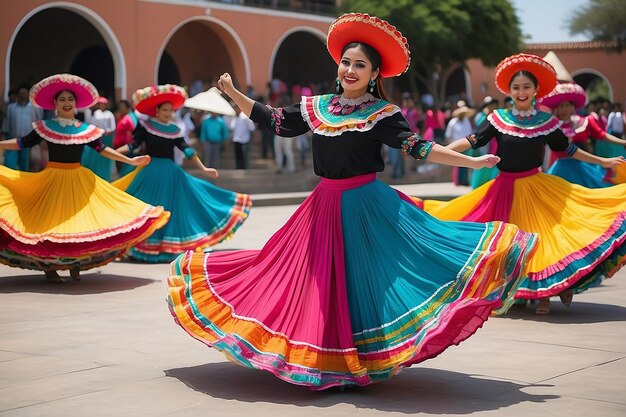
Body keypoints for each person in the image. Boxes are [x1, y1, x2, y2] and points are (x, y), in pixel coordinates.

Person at [165, 13, 538, 390]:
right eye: (346, 62)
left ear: (375, 74)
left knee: (364, 283)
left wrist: (471, 161)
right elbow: (274, 119)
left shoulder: (382, 114)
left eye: (360, 65)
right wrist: (233, 93)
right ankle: (322, 356)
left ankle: (356, 355)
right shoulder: (317, 107)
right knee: (311, 282)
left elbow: (422, 148)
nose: (350, 69)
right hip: (322, 206)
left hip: (367, 207)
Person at [417, 54, 626, 315]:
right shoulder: (498, 119)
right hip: (503, 189)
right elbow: (472, 140)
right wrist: (441, 151)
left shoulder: (546, 122)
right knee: (501, 244)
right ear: (509, 90)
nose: (521, 92)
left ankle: (546, 294)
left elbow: (569, 149)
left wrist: (603, 161)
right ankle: (510, 292)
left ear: (536, 90)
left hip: (536, 187)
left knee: (544, 240)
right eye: (516, 88)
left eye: (527, 87)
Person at [0, 74, 169, 282]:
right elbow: (20, 143)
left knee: (80, 223)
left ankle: (76, 263)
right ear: (55, 104)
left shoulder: (84, 130)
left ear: (76, 104)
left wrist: (131, 161)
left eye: (70, 100)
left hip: (78, 180)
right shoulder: (45, 127)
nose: (66, 103)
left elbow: (103, 149)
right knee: (50, 224)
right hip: (52, 180)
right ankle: (50, 268)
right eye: (62, 100)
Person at [113, 84, 251, 262]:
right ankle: (139, 245)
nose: (168, 113)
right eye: (165, 110)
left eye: (171, 110)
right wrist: (113, 152)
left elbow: (187, 150)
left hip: (171, 175)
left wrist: (203, 168)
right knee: (145, 207)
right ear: (157, 110)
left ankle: (165, 247)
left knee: (175, 209)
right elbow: (133, 145)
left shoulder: (175, 130)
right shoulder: (145, 126)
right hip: (150, 172)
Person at [540, 82, 626, 188]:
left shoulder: (583, 122)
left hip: (582, 166)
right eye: (561, 106)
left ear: (572, 107)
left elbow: (602, 135)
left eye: (567, 105)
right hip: (560, 167)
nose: (564, 109)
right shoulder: (551, 126)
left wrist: (623, 142)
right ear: (556, 108)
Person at [2, 85, 43, 171]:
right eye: (21, 93)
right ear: (18, 94)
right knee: (9, 163)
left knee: (24, 165)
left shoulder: (34, 108)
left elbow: (39, 123)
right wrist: (5, 136)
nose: (23, 95)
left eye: (24, 93)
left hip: (27, 140)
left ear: (28, 94)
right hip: (13, 139)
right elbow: (6, 123)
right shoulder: (11, 107)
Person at [81, 96, 116, 180]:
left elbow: (113, 127)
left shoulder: (109, 114)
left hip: (106, 138)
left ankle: (107, 175)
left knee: (106, 156)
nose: (102, 105)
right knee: (97, 156)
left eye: (103, 104)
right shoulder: (96, 113)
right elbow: (91, 124)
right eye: (100, 104)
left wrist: (107, 132)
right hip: (98, 137)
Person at [471, 96, 500, 189]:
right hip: (483, 147)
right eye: (490, 105)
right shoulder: (482, 117)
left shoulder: (499, 117)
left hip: (495, 146)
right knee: (482, 167)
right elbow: (479, 131)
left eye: (494, 105)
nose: (493, 107)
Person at [445, 100, 476, 186]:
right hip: (456, 146)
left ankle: (465, 181)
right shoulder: (452, 122)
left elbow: (470, 133)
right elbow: (448, 135)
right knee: (457, 165)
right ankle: (458, 182)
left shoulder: (467, 121)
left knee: (466, 164)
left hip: (466, 146)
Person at [112, 100, 139, 177]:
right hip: (119, 147)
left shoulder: (129, 118)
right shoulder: (123, 117)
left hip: (125, 150)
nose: (120, 109)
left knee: (125, 173)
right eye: (119, 107)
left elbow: (133, 134)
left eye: (122, 107)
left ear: (127, 108)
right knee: (120, 172)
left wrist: (129, 148)